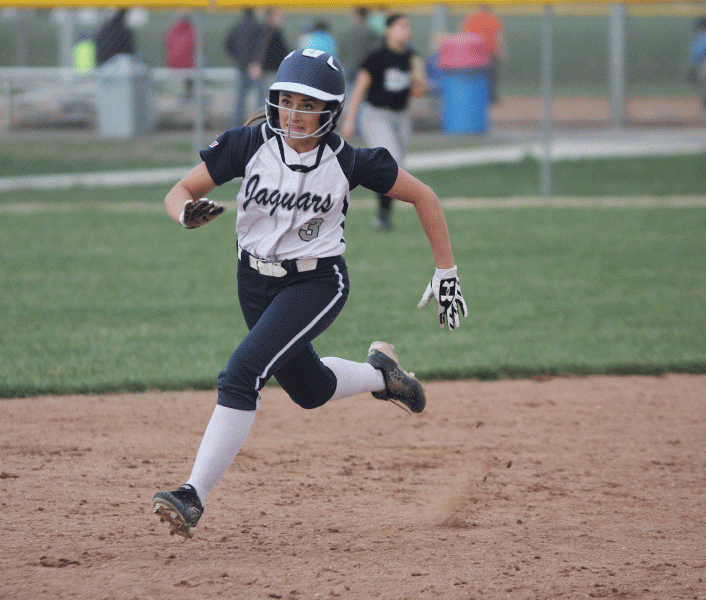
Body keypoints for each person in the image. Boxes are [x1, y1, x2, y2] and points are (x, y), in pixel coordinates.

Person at [151, 48, 468, 540]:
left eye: (309, 104)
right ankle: (381, 375)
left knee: (242, 373)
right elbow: (179, 191)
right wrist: (184, 213)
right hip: (253, 282)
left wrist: (445, 269)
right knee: (309, 389)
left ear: (331, 112)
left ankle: (192, 495)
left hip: (317, 282)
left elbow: (424, 196)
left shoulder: (348, 161)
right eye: (287, 101)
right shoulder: (248, 144)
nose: (295, 114)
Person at [340, 14, 427, 232]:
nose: (408, 31)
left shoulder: (411, 57)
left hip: (401, 116)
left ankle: (383, 217)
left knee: (398, 168)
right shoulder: (377, 57)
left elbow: (418, 92)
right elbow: (359, 88)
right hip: (376, 115)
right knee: (392, 160)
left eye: (409, 27)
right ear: (389, 31)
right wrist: (350, 119)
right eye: (402, 26)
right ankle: (380, 218)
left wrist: (419, 77)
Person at [224, 8, 264, 127]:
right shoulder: (258, 27)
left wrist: (238, 57)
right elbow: (263, 47)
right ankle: (263, 126)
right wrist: (257, 62)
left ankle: (237, 129)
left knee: (239, 102)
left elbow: (227, 44)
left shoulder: (237, 27)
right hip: (256, 68)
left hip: (242, 67)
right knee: (262, 101)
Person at [462, 4, 506, 104]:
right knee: (490, 76)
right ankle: (490, 97)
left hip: (475, 53)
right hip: (489, 52)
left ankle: (477, 96)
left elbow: (465, 35)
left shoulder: (471, 19)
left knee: (475, 75)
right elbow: (499, 37)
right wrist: (501, 52)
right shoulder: (493, 19)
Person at [338, 7, 382, 90]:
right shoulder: (370, 31)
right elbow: (377, 47)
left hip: (348, 65)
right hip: (363, 66)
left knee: (347, 90)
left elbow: (341, 49)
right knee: (362, 91)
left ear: (357, 15)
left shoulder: (346, 31)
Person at [253, 8, 291, 91]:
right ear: (271, 17)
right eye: (278, 16)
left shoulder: (269, 31)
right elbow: (261, 50)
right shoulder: (270, 32)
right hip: (270, 70)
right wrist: (258, 65)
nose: (280, 19)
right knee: (269, 96)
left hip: (272, 70)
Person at [165, 15, 196, 100]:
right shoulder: (193, 31)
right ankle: (195, 93)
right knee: (203, 62)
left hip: (173, 65)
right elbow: (203, 49)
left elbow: (166, 46)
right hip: (189, 66)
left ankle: (187, 94)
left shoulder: (172, 30)